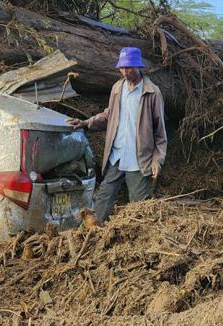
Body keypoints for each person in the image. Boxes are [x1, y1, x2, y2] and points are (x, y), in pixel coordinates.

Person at [67, 47, 167, 223]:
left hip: (139, 160)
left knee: (139, 209)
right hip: (117, 156)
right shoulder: (117, 88)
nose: (124, 71)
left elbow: (160, 133)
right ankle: (92, 236)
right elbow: (108, 115)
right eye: (122, 68)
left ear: (138, 67)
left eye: (128, 68)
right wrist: (86, 123)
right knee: (102, 200)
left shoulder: (152, 92)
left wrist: (157, 160)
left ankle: (138, 244)